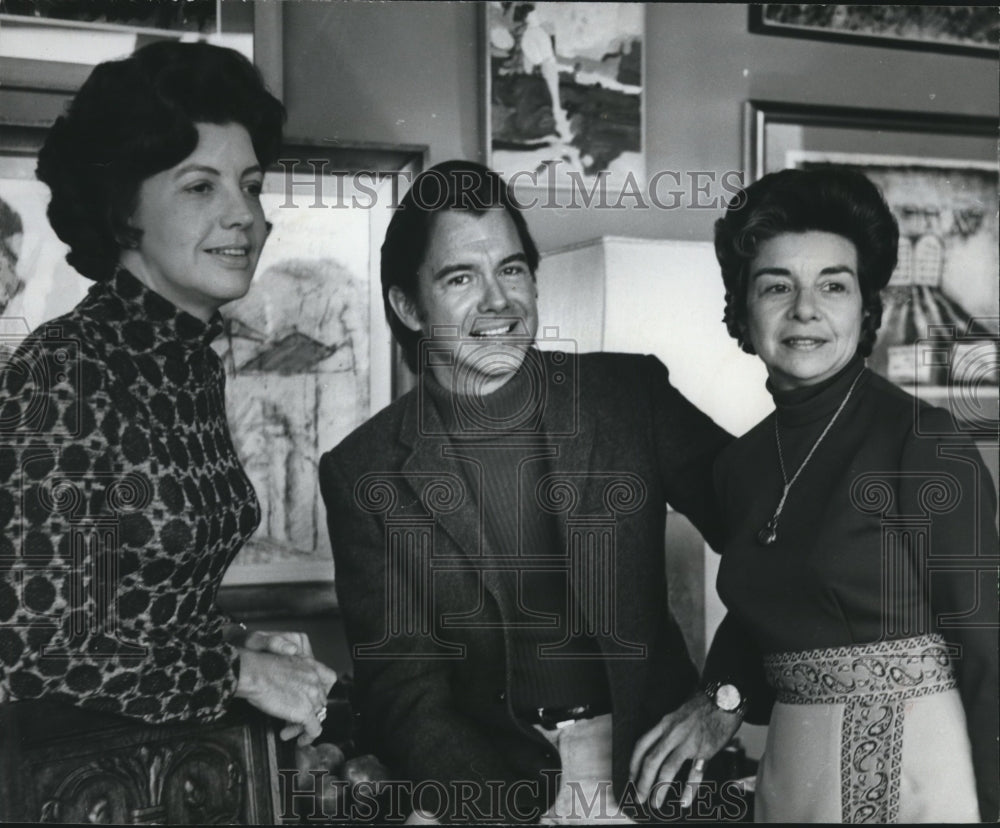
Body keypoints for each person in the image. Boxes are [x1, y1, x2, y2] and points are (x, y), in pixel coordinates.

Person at [319, 160, 743, 824]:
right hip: (491, 785)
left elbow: (775, 542)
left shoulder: (627, 398)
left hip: (658, 773)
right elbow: (404, 692)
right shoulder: (363, 470)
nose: (498, 302)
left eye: (512, 270)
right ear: (407, 306)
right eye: (462, 278)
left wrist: (726, 697)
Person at [0, 41, 336, 746]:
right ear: (125, 211)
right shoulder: (69, 366)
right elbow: (42, 648)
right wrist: (236, 674)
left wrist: (239, 643)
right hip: (76, 782)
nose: (243, 213)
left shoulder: (189, 362)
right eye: (199, 186)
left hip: (171, 764)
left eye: (248, 183)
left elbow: (135, 604)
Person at [698, 167, 998, 822]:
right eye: (777, 286)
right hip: (792, 773)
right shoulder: (739, 465)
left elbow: (987, 650)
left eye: (833, 285)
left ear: (865, 310)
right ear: (743, 310)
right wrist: (717, 704)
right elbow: (759, 618)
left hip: (922, 777)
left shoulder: (925, 442)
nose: (805, 309)